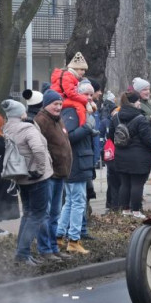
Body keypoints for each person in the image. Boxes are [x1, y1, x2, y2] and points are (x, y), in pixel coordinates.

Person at [1, 99, 52, 265]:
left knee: (28, 213)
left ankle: (21, 252)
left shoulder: (7, 128)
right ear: (20, 113)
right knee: (37, 215)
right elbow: (37, 149)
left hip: (21, 177)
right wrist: (41, 169)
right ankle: (23, 253)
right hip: (37, 177)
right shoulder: (27, 128)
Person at [59, 81, 97, 254]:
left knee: (71, 202)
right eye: (86, 94)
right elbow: (70, 137)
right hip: (76, 164)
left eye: (91, 94)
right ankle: (73, 240)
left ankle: (59, 236)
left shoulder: (80, 109)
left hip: (79, 162)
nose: (89, 97)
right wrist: (88, 126)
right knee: (77, 202)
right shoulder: (73, 110)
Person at [34, 89, 72, 260]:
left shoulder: (58, 120)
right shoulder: (41, 121)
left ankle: (54, 246)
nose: (58, 107)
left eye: (60, 104)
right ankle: (45, 249)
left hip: (60, 173)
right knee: (46, 214)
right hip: (49, 175)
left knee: (55, 213)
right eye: (55, 104)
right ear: (46, 104)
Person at [111, 91, 151, 218]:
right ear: (133, 103)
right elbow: (147, 139)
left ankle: (125, 210)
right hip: (139, 157)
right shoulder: (140, 118)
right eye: (137, 101)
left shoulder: (116, 117)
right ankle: (136, 211)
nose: (139, 103)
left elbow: (110, 135)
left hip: (120, 155)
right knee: (137, 184)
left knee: (124, 184)